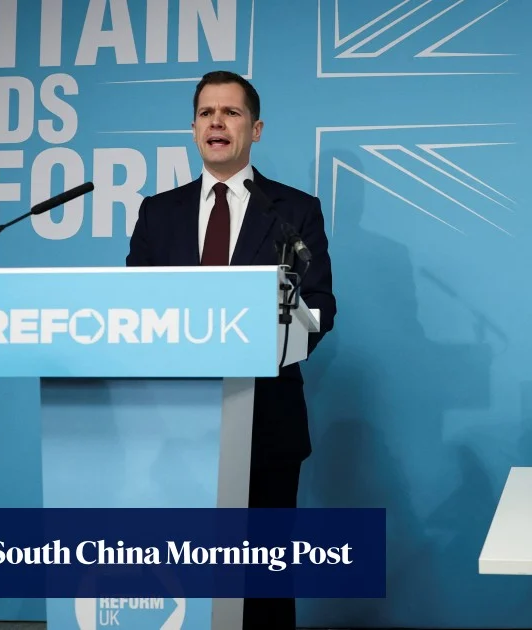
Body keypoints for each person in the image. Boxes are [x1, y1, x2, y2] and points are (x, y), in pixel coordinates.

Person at [126, 70, 336, 629]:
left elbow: (319, 305)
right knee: (182, 571)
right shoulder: (158, 212)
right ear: (194, 128)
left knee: (263, 578)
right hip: (174, 420)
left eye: (231, 112)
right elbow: (132, 306)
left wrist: (272, 343)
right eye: (206, 113)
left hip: (266, 416)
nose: (216, 122)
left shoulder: (294, 210)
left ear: (255, 129)